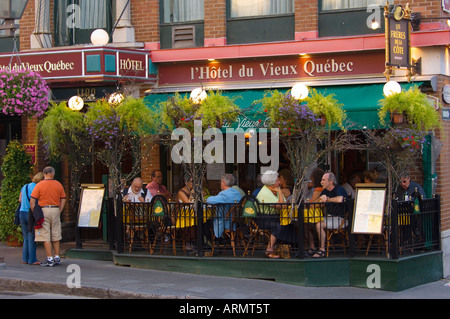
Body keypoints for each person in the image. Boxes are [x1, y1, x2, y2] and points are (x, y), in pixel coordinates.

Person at [30, 167, 66, 267]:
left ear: (44, 173)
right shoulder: (58, 184)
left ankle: (49, 258)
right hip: (55, 209)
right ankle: (57, 257)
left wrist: (35, 213)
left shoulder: (39, 185)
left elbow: (32, 201)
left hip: (43, 210)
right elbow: (63, 199)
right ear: (53, 174)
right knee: (56, 233)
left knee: (45, 234)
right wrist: (59, 210)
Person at [313, 172, 348, 258]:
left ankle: (322, 249)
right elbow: (316, 205)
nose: (321, 182)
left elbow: (340, 199)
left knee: (319, 225)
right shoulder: (324, 191)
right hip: (329, 218)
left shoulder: (339, 189)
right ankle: (312, 247)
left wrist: (327, 199)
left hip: (341, 219)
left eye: (323, 180)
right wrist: (320, 199)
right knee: (312, 223)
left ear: (331, 181)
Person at [256, 170, 286, 259]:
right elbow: (282, 206)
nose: (279, 182)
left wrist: (279, 192)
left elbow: (283, 203)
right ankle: (269, 250)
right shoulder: (265, 192)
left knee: (288, 223)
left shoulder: (275, 190)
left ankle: (284, 247)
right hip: (264, 218)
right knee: (279, 226)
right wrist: (280, 192)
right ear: (271, 182)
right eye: (277, 181)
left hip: (274, 217)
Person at [18, 172, 44, 265]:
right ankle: (32, 259)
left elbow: (20, 200)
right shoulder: (37, 187)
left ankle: (25, 259)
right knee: (32, 236)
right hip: (30, 214)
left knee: (25, 237)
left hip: (22, 212)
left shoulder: (24, 186)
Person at [206, 174, 242, 240]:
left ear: (224, 183)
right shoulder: (237, 193)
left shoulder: (224, 194)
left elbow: (209, 200)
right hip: (235, 221)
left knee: (205, 223)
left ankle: (215, 242)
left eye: (221, 182)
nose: (220, 184)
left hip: (225, 221)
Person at [304, 168, 324, 256]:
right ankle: (311, 246)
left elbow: (313, 204)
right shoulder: (321, 189)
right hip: (318, 214)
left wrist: (307, 203)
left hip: (317, 214)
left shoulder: (317, 190)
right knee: (306, 224)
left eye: (311, 177)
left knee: (305, 224)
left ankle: (311, 246)